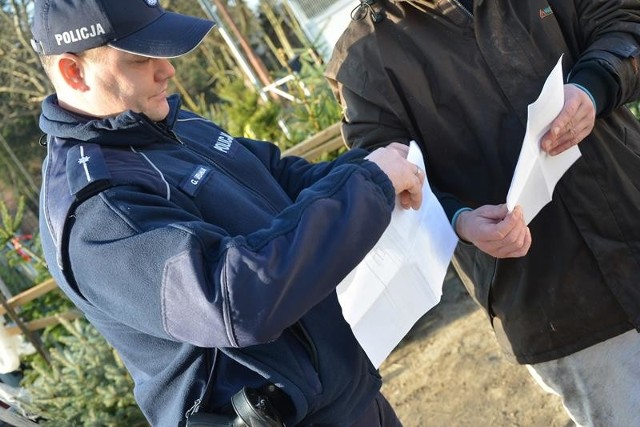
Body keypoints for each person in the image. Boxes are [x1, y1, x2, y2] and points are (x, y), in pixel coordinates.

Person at [31, 0, 425, 425]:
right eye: (141, 58)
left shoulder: (171, 126)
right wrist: (369, 185)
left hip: (350, 397)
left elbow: (280, 179)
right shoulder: (95, 210)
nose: (167, 70)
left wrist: (381, 168)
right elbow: (233, 298)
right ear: (75, 72)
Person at [326, 0, 640, 425]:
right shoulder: (361, 58)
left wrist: (593, 85)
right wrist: (459, 220)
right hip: (554, 303)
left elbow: (625, 22)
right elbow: (387, 177)